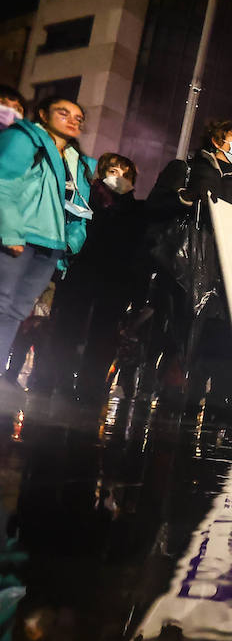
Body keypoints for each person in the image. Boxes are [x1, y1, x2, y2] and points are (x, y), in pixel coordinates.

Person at [145, 119, 232, 416]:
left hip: (224, 276)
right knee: (177, 334)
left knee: (215, 339)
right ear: (217, 141)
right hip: (181, 269)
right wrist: (184, 199)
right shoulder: (185, 170)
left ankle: (204, 403)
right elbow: (155, 207)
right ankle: (166, 398)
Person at [0, 96, 97, 412]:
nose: (73, 120)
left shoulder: (76, 161)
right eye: (64, 113)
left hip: (50, 245)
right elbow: (5, 183)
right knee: (2, 303)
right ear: (43, 114)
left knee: (17, 310)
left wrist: (70, 243)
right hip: (21, 235)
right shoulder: (24, 138)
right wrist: (11, 230)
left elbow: (79, 210)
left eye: (79, 118)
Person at [39, 152, 145, 402]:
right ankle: (55, 380)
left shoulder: (136, 210)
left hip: (116, 281)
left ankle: (91, 388)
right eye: (114, 170)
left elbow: (138, 249)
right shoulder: (87, 199)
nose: (120, 176)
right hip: (82, 273)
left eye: (126, 173)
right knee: (67, 329)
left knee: (103, 336)